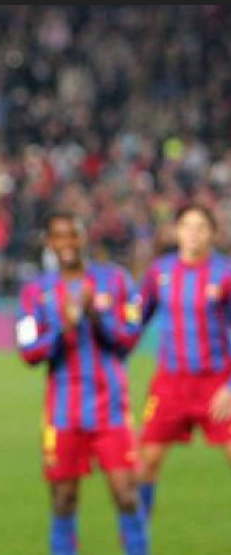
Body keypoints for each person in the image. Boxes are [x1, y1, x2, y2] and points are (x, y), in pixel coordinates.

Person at [16, 212, 147, 555]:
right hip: (63, 412)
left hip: (111, 407)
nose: (67, 243)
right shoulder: (36, 291)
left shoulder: (115, 280)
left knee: (127, 495)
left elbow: (130, 338)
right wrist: (65, 327)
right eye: (59, 236)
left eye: (73, 235)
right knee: (63, 500)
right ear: (49, 242)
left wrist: (95, 316)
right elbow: (29, 352)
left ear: (84, 238)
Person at [137, 204, 231, 518]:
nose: (194, 234)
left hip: (217, 383)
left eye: (201, 227)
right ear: (176, 231)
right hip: (170, 383)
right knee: (147, 462)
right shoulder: (159, 273)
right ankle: (137, 538)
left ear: (212, 234)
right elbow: (135, 322)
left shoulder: (225, 274)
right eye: (187, 227)